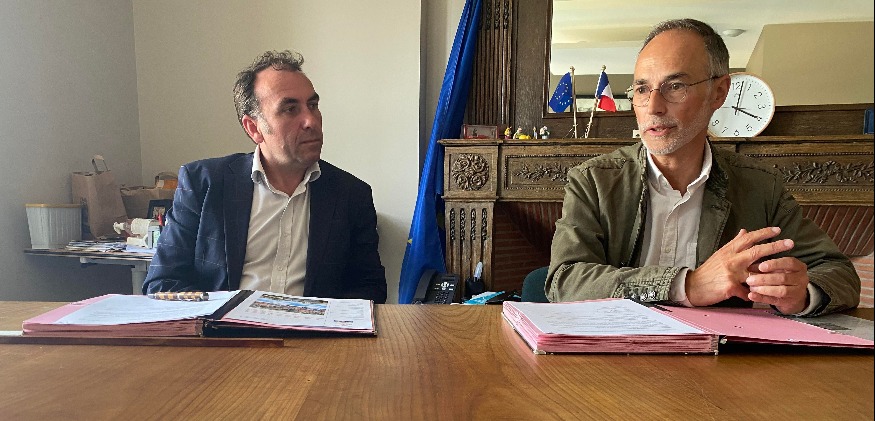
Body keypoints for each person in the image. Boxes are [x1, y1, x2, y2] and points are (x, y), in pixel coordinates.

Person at [546, 19, 859, 316]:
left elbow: (839, 274)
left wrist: (802, 294)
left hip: (722, 352)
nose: (653, 107)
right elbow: (565, 281)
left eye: (675, 86)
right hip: (613, 349)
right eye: (641, 89)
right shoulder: (593, 180)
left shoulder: (760, 187)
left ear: (719, 92)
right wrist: (686, 285)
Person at [143, 50, 387, 303]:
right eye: (290, 109)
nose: (310, 121)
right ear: (254, 128)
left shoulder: (351, 195)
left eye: (313, 105)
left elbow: (370, 289)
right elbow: (162, 284)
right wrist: (226, 315)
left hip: (312, 326)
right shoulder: (203, 183)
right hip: (222, 325)